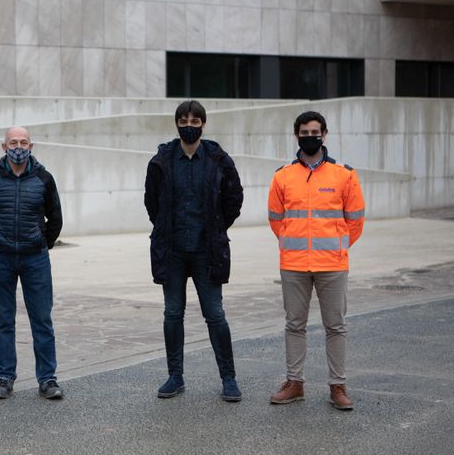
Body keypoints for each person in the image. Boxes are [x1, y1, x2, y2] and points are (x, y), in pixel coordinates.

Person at [144, 100, 244, 402]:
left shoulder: (218, 159)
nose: (190, 126)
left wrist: (216, 228)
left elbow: (234, 199)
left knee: (215, 314)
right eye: (184, 120)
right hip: (172, 251)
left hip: (206, 251)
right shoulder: (162, 159)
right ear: (176, 124)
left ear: (204, 124)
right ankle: (175, 376)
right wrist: (163, 228)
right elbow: (151, 202)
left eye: (195, 121)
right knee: (172, 313)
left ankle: (229, 378)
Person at [267, 111, 365, 410]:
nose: (311, 137)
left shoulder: (344, 175)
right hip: (294, 263)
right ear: (296, 135)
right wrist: (290, 243)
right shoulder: (283, 176)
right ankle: (294, 383)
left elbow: (356, 220)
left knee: (335, 326)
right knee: (294, 324)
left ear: (324, 134)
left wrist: (337, 247)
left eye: (315, 132)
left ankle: (338, 386)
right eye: (305, 132)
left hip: (332, 265)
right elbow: (275, 219)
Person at [0, 126, 64, 400]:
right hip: (0, 258)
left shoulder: (44, 178)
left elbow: (55, 217)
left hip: (35, 258)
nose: (18, 146)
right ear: (4, 147)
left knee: (42, 319)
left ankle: (47, 379)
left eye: (23, 142)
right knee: (4, 319)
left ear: (31, 146)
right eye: (13, 142)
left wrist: (41, 242)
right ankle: (4, 377)